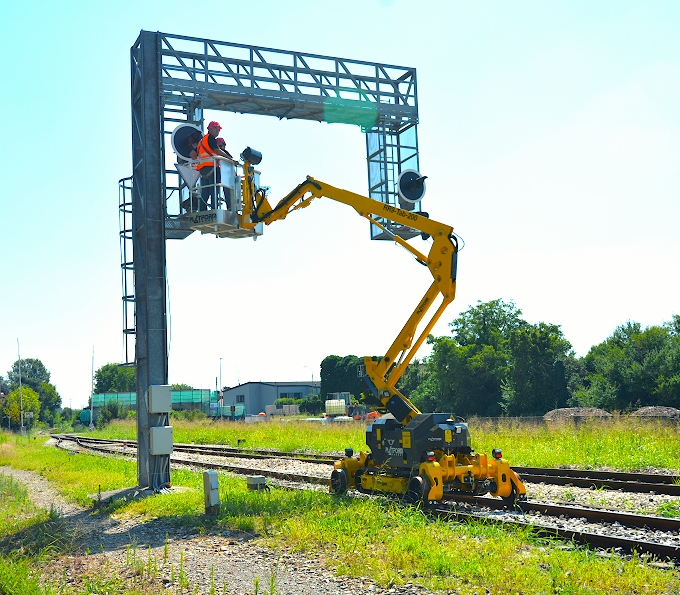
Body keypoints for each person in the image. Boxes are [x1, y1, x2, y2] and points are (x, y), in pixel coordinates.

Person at [196, 121, 232, 211]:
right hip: (212, 168)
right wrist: (230, 159)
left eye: (219, 130)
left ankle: (202, 211)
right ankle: (214, 210)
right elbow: (217, 150)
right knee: (214, 191)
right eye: (216, 129)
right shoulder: (210, 138)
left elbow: (195, 154)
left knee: (205, 192)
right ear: (210, 128)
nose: (218, 131)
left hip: (203, 170)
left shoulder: (201, 142)